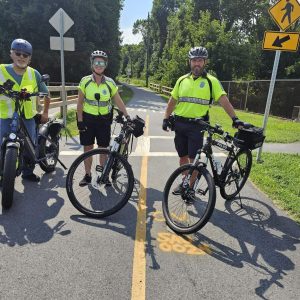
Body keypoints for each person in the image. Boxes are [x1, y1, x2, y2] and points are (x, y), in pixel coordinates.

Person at [162, 46, 243, 193]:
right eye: (194, 60)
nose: (196, 63)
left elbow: (224, 100)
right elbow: (172, 101)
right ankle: (185, 183)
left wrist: (235, 118)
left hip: (197, 126)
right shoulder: (181, 80)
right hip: (179, 124)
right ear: (189, 62)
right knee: (182, 158)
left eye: (200, 60)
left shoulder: (211, 81)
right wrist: (165, 118)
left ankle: (190, 188)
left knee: (194, 160)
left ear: (204, 62)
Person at [77, 50, 130, 186]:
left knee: (103, 148)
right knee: (88, 148)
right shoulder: (85, 81)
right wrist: (80, 121)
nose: (99, 65)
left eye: (101, 62)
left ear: (105, 65)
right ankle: (87, 175)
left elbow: (118, 101)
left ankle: (104, 175)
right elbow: (80, 103)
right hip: (88, 119)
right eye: (96, 62)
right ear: (92, 64)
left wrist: (127, 116)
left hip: (104, 121)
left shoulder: (110, 83)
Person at [0, 38, 50, 183]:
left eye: (25, 55)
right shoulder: (1, 70)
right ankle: (3, 174)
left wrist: (45, 112)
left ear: (29, 58)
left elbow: (46, 95)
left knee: (30, 146)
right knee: (1, 146)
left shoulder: (34, 74)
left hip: (27, 116)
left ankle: (27, 173)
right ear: (11, 54)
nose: (21, 57)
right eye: (18, 53)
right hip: (5, 115)